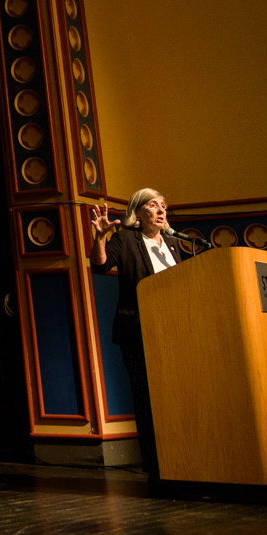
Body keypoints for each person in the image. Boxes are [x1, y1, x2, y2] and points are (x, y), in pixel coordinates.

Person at [90, 188, 181, 481]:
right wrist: (100, 237)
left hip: (175, 331)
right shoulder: (126, 239)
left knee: (177, 396)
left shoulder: (173, 244)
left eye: (163, 205)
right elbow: (100, 266)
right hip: (138, 331)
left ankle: (182, 457)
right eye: (153, 205)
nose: (161, 210)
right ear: (138, 212)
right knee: (147, 398)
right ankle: (156, 465)